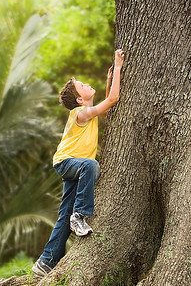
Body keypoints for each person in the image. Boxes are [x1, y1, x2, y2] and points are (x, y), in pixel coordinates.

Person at [32, 49, 125, 276]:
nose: (86, 84)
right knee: (91, 165)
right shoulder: (80, 114)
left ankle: (46, 262)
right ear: (80, 99)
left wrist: (109, 80)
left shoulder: (89, 112)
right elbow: (113, 100)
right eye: (82, 85)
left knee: (64, 214)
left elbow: (105, 109)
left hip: (71, 166)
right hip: (67, 163)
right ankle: (80, 215)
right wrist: (119, 66)